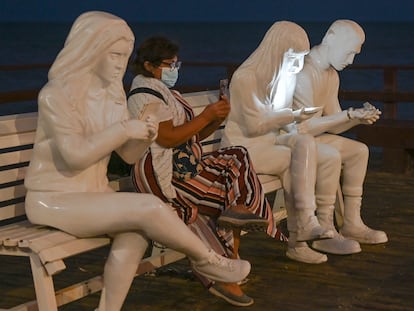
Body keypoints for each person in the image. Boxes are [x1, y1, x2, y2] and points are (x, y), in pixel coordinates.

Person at [23, 11, 250, 311]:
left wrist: (144, 134)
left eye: (124, 56)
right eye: (114, 55)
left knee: (138, 232)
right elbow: (75, 156)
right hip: (52, 199)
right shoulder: (56, 95)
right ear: (91, 50)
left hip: (92, 195)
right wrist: (123, 129)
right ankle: (207, 260)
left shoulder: (113, 95)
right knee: (149, 207)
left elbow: (128, 156)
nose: (120, 63)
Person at [127, 36, 287, 307]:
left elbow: (192, 138)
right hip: (162, 174)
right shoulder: (144, 96)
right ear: (149, 65)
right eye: (169, 64)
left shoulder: (167, 93)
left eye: (177, 64)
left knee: (237, 155)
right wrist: (206, 114)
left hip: (186, 165)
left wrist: (215, 120)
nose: (175, 69)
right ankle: (224, 275)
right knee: (212, 203)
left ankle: (238, 213)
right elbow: (166, 139)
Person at [220, 21, 336, 264]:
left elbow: (280, 122)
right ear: (276, 50)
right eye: (293, 57)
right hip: (243, 149)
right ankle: (298, 239)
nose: (297, 65)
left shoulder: (284, 76)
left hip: (268, 142)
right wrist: (292, 115)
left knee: (304, 143)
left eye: (302, 58)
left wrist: (296, 121)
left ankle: (307, 221)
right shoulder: (246, 77)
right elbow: (254, 126)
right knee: (292, 162)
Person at [293, 19, 388, 251]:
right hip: (293, 141)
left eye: (354, 55)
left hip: (310, 136)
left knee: (359, 151)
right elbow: (303, 128)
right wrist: (348, 115)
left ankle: (351, 223)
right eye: (349, 53)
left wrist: (356, 117)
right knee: (331, 154)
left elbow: (332, 123)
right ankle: (324, 228)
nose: (351, 61)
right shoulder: (304, 71)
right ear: (331, 38)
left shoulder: (331, 75)